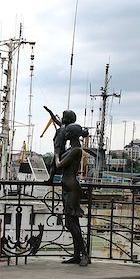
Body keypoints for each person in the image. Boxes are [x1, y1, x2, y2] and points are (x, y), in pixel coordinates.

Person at [55, 122, 90, 266]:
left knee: (70, 223)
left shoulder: (76, 150)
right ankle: (77, 254)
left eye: (68, 132)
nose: (66, 134)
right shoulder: (71, 149)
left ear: (73, 134)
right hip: (67, 187)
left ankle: (84, 254)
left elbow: (59, 165)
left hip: (71, 188)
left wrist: (56, 155)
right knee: (73, 222)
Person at [43, 106, 76, 183]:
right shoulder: (63, 126)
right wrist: (50, 111)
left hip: (59, 148)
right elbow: (54, 119)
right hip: (58, 147)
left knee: (55, 164)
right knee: (54, 165)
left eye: (64, 117)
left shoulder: (66, 128)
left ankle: (52, 179)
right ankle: (53, 179)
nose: (62, 119)